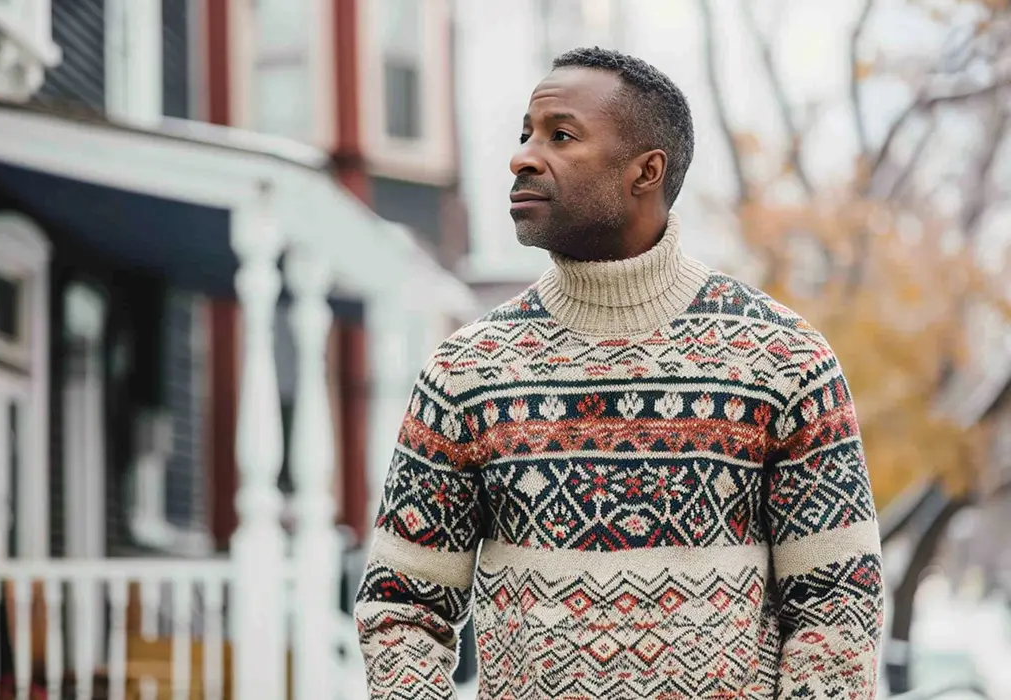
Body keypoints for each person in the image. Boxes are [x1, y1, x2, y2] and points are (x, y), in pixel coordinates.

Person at [354, 46, 884, 699]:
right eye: (525, 134)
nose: (522, 156)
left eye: (561, 135)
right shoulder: (468, 369)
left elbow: (838, 608)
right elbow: (402, 607)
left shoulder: (782, 358)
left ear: (645, 172)